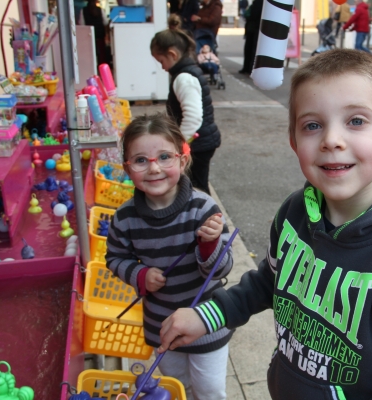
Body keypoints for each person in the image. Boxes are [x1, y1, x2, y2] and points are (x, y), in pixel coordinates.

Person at [158, 49, 372, 399]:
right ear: (294, 141)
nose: (332, 140)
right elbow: (267, 283)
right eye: (312, 125)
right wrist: (208, 316)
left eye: (356, 121)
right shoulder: (295, 211)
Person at [105, 113, 234, 400]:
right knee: (177, 387)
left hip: (206, 322)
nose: (154, 168)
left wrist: (209, 245)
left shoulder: (204, 208)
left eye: (164, 156)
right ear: (127, 168)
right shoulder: (124, 217)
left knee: (210, 390)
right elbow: (114, 258)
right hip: (160, 324)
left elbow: (223, 269)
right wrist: (139, 274)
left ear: (182, 160)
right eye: (140, 160)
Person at [151, 29, 221, 195]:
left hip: (198, 144)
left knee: (196, 188)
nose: (162, 68)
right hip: (199, 141)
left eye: (161, 61)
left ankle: (208, 218)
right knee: (195, 185)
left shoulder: (184, 78)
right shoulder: (185, 74)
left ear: (172, 54)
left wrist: (179, 144)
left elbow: (193, 117)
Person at [238, 0, 263, 74]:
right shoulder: (257, 3)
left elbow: (253, 15)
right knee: (250, 49)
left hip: (255, 29)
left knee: (252, 49)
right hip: (253, 29)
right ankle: (248, 68)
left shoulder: (258, 3)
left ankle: (249, 68)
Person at [83, 1, 109, 66]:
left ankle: (92, 67)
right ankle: (102, 67)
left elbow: (82, 24)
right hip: (100, 34)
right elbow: (105, 22)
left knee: (91, 53)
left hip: (89, 36)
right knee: (102, 53)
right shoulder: (100, 10)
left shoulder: (83, 11)